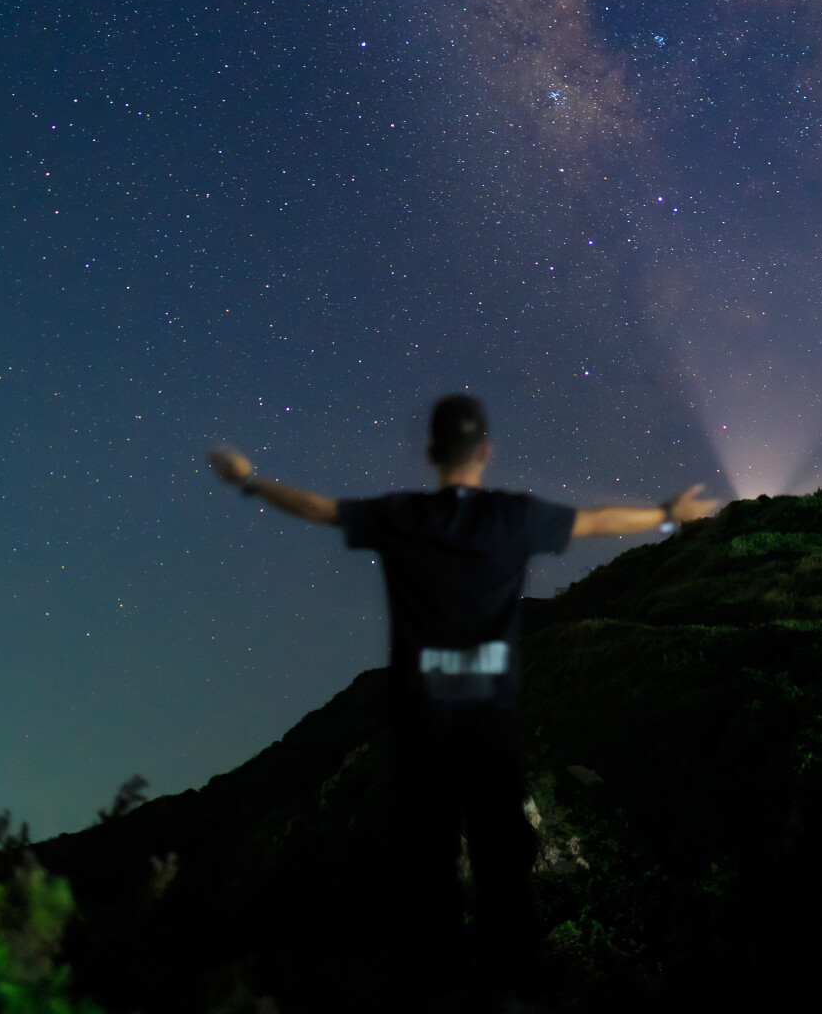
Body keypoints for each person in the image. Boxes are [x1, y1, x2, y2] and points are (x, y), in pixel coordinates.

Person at [206, 394, 717, 1010]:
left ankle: (435, 987)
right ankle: (517, 986)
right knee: (503, 859)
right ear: (486, 452)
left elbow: (319, 509)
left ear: (431, 454)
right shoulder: (513, 518)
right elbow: (598, 521)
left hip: (423, 720)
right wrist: (667, 514)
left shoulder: (402, 516)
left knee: (427, 860)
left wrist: (250, 482)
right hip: (490, 720)